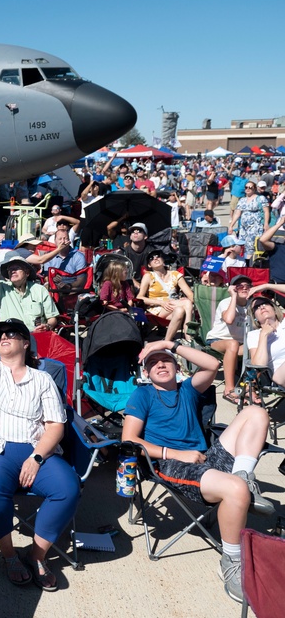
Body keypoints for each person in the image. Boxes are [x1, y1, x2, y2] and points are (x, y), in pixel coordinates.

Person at [122, 340, 273, 603]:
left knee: (256, 412)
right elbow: (130, 439)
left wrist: (169, 343)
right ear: (145, 373)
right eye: (152, 362)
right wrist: (175, 453)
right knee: (236, 491)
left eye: (165, 360)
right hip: (172, 464)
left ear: (177, 366)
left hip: (206, 457)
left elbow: (213, 363)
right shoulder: (143, 395)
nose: (160, 364)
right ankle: (231, 560)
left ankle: (243, 476)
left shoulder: (188, 389)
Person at [0, 289, 79, 591]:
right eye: (1, 335)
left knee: (67, 488)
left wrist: (36, 458)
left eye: (13, 333)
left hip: (33, 449)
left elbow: (55, 426)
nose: (5, 338)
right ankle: (9, 554)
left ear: (26, 343)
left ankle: (37, 556)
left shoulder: (42, 378)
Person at [0, 248, 59, 332]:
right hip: (11, 336)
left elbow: (52, 318)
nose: (12, 271)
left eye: (17, 268)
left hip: (37, 336)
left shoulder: (40, 290)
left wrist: (47, 326)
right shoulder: (2, 287)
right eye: (10, 269)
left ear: (27, 273)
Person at [207, 275, 250, 402]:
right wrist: (233, 297)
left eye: (248, 286)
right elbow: (229, 319)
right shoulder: (226, 302)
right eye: (240, 286)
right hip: (217, 340)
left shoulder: (252, 305)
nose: (244, 288)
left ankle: (248, 386)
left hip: (240, 344)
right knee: (233, 343)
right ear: (233, 288)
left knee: (259, 345)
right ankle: (229, 390)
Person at [137, 250, 194, 342]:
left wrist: (185, 301)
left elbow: (190, 294)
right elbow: (140, 297)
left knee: (180, 310)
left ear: (163, 260)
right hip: (156, 309)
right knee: (186, 303)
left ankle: (167, 341)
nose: (155, 258)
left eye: (158, 256)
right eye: (151, 258)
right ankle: (188, 335)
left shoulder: (176, 275)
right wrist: (161, 302)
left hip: (173, 306)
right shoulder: (149, 276)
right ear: (149, 265)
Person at [230, 180, 269, 259]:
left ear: (254, 189)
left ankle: (250, 265)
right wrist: (231, 225)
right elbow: (237, 213)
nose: (247, 189)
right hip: (243, 228)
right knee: (242, 245)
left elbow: (266, 211)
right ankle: (245, 264)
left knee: (252, 246)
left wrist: (266, 224)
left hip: (255, 227)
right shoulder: (242, 200)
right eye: (246, 187)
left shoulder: (260, 198)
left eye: (250, 187)